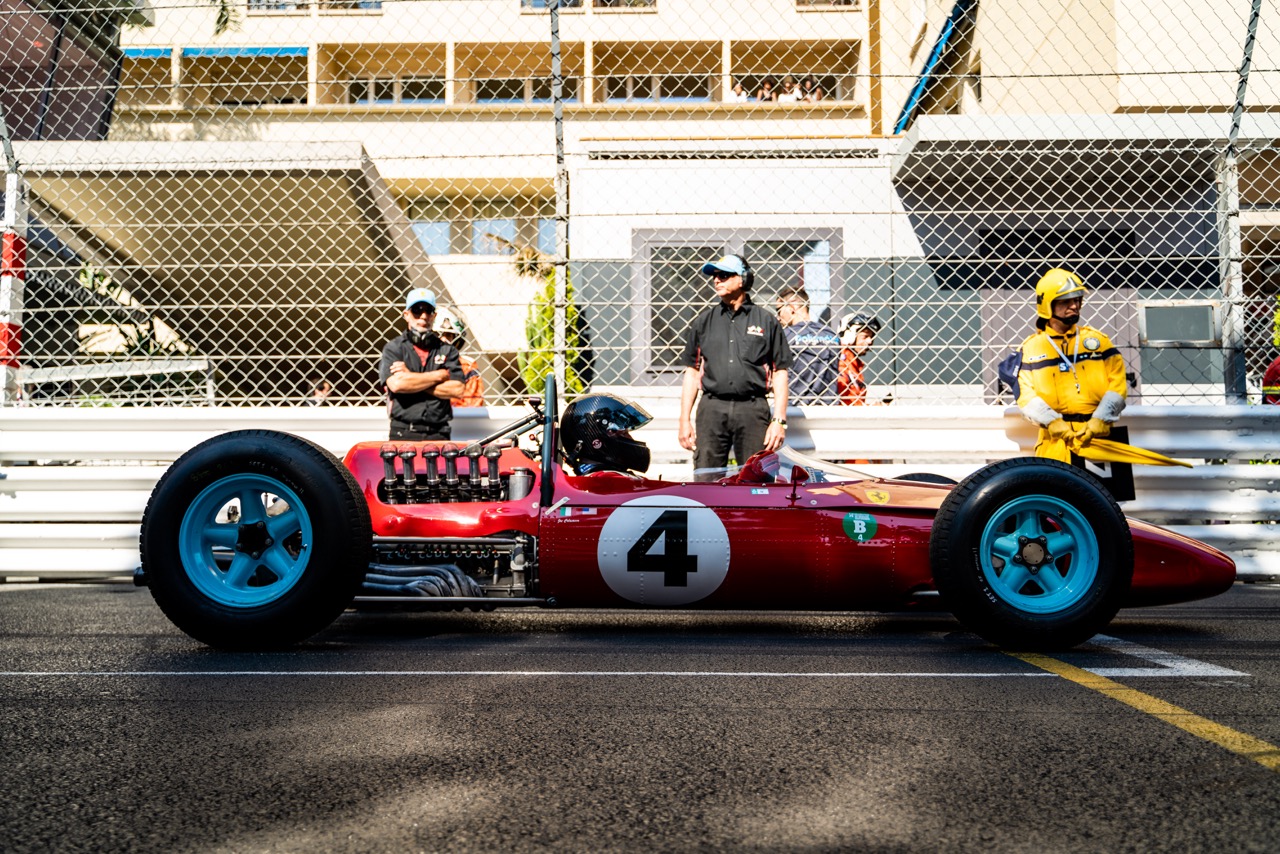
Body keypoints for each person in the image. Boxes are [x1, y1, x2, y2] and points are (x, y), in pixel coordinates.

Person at [679, 253, 792, 479]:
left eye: (724, 275)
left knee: (758, 482)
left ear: (742, 279)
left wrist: (779, 420)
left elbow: (780, 372)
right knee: (706, 479)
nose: (716, 280)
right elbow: (691, 373)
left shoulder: (766, 321)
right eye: (714, 275)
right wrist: (684, 421)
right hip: (711, 409)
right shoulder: (703, 322)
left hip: (752, 409)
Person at [1016, 268, 1127, 462]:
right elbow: (1025, 394)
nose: (1074, 306)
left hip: (1098, 438)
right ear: (1047, 305)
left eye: (1077, 300)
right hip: (1055, 442)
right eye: (1066, 301)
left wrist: (1100, 418)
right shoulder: (1031, 348)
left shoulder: (1098, 341)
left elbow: (1117, 384)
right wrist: (1052, 422)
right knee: (1055, 491)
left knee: (1106, 493)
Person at [379, 287, 465, 440]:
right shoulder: (394, 348)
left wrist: (410, 377)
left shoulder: (447, 350)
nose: (423, 316)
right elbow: (397, 385)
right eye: (417, 310)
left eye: (428, 311)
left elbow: (457, 390)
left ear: (434, 316)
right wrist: (439, 375)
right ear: (406, 315)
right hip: (403, 432)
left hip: (439, 433)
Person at [776, 285, 839, 404]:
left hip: (796, 405)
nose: (778, 317)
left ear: (791, 308)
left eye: (779, 310)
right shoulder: (831, 334)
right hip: (829, 405)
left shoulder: (786, 335)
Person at [434, 307, 485, 407]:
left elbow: (472, 403)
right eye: (438, 334)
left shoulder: (467, 365)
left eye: (448, 335)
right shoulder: (417, 360)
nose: (443, 339)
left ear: (456, 339)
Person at [836, 312, 882, 405]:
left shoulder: (854, 364)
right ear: (850, 336)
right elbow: (843, 405)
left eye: (871, 337)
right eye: (865, 336)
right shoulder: (840, 363)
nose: (870, 341)